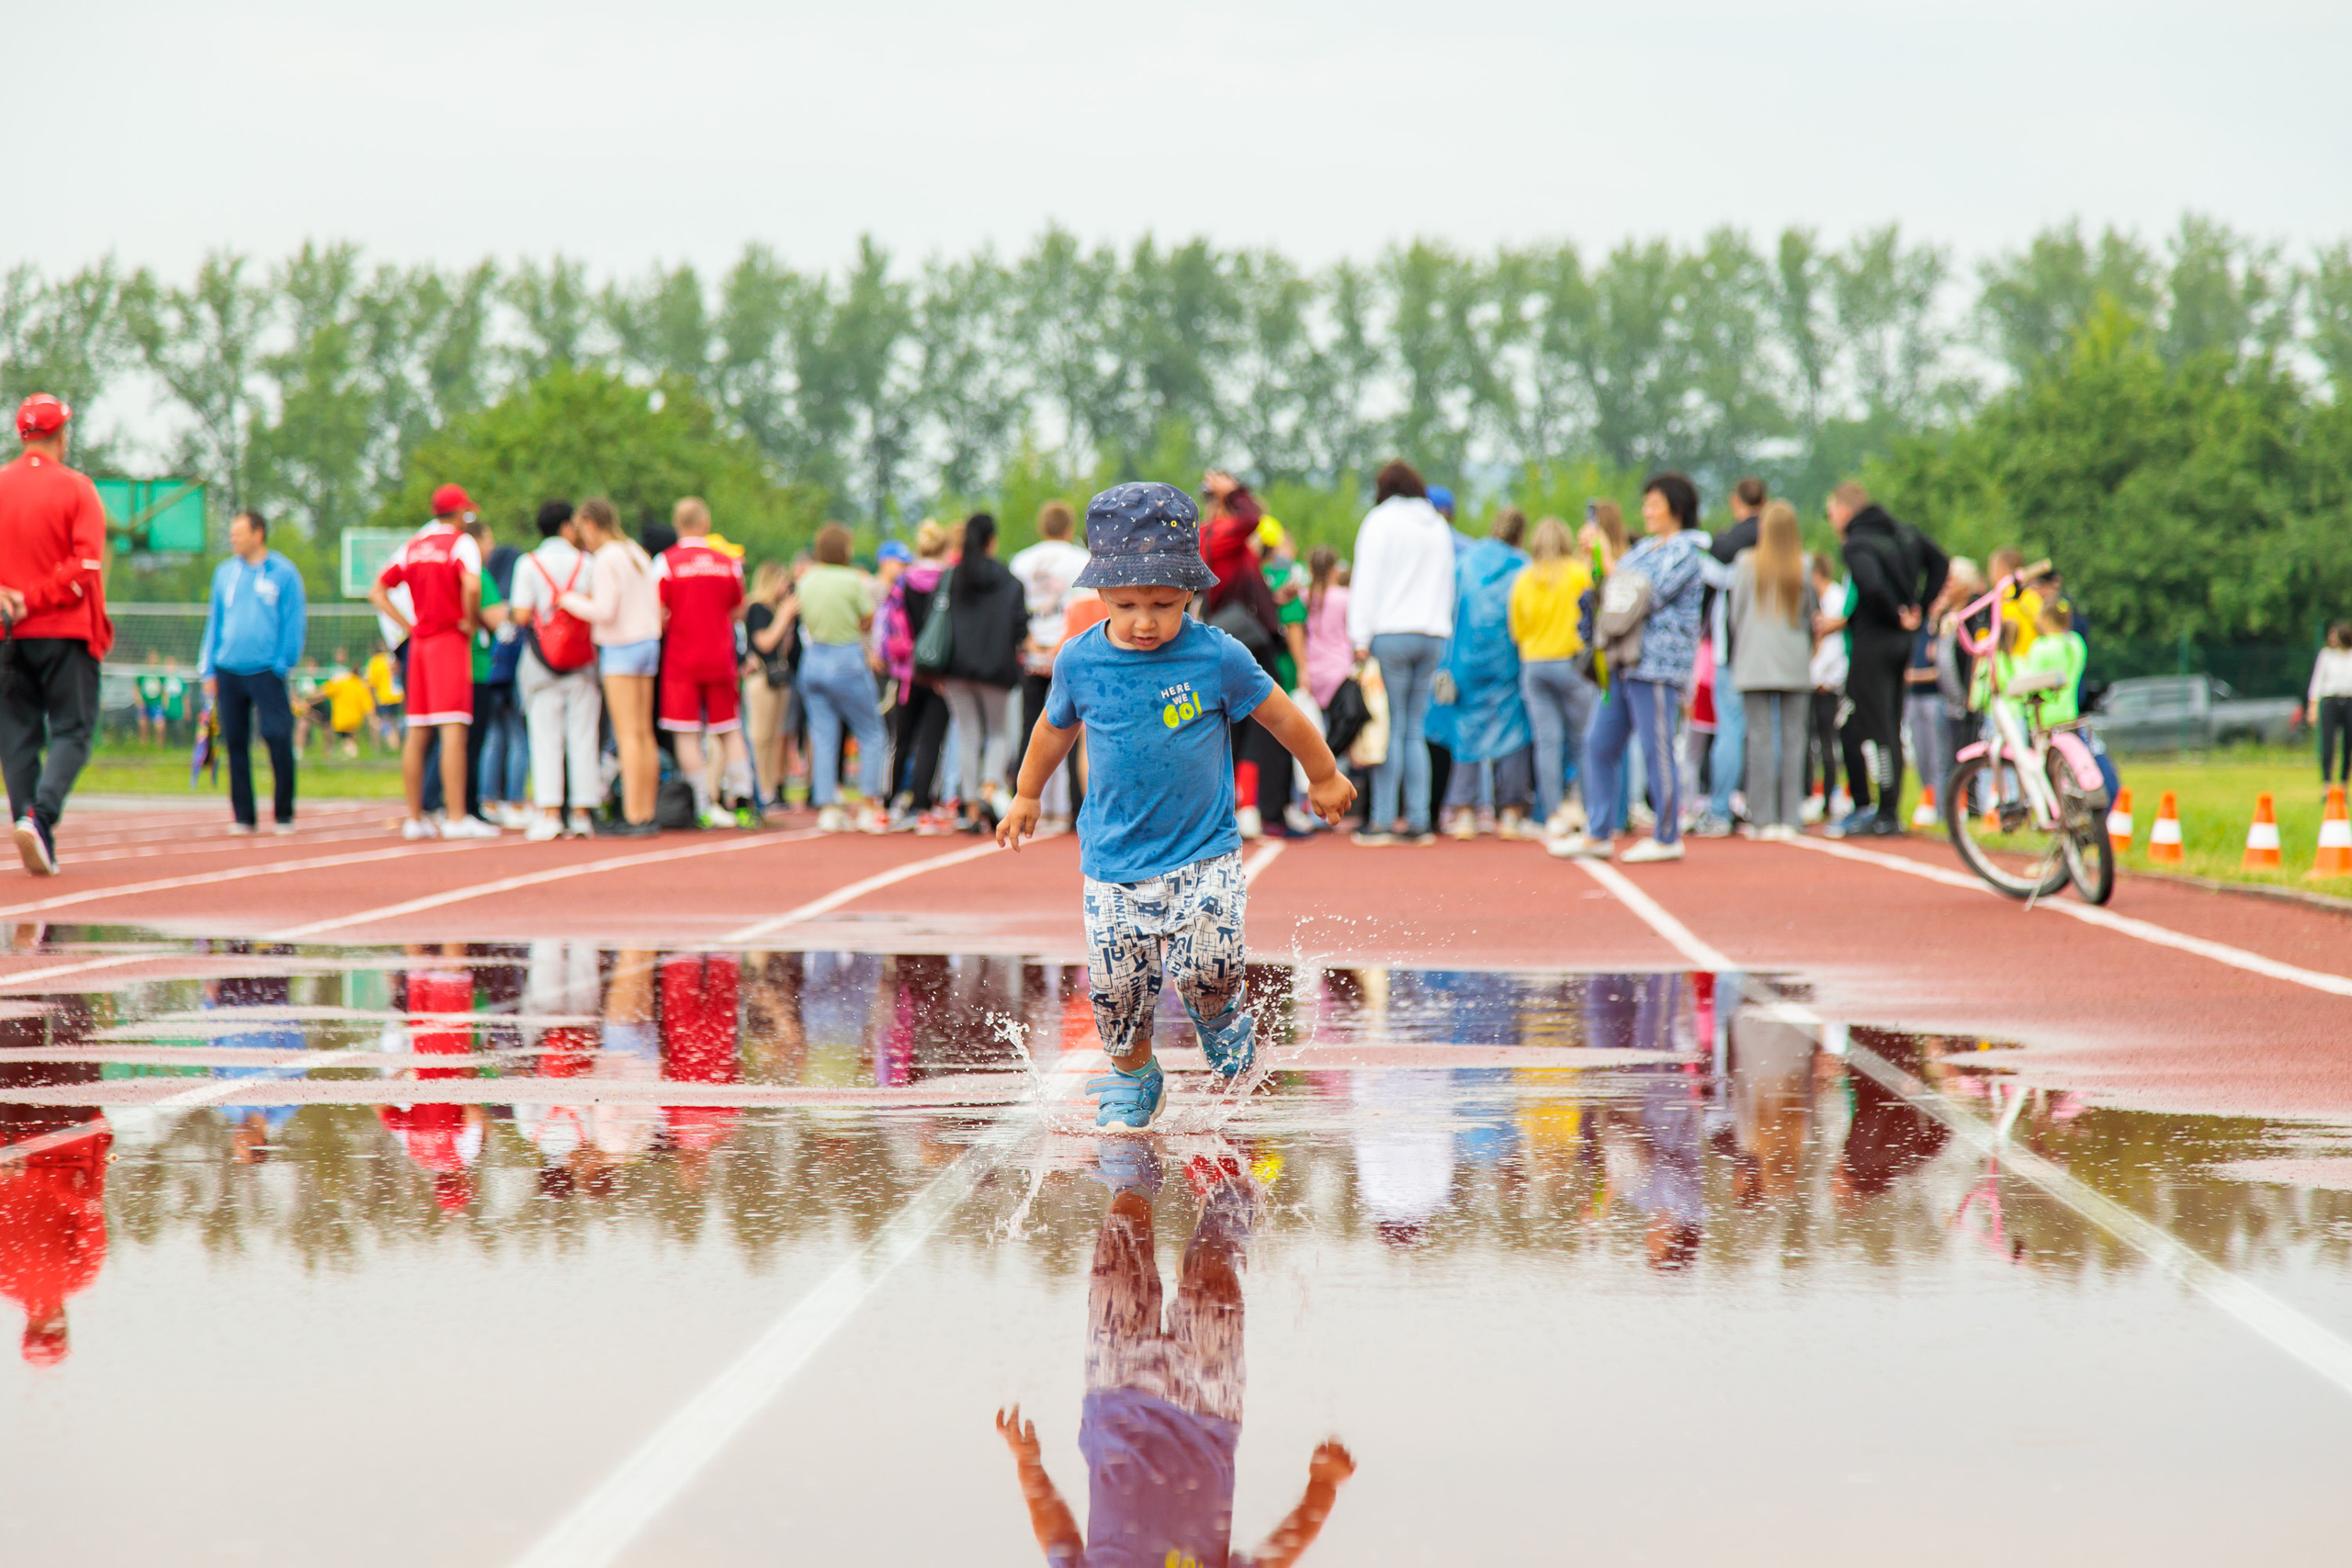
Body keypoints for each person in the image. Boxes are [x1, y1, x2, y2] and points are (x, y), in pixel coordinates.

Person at [997, 481, 1354, 1130]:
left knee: (1208, 967)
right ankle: (1136, 1077)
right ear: (1099, 593)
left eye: (1162, 604)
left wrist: (1323, 773)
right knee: (1116, 989)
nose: (1143, 620)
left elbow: (1279, 714)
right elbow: (1053, 729)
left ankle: (1220, 1019)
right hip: (1113, 861)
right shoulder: (1079, 659)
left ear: (1191, 591)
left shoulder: (1216, 655)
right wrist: (1026, 793)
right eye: (1126, 603)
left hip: (1204, 852)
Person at [994, 1151, 1353, 1567]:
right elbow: (1274, 1559)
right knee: (1214, 1282)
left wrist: (1028, 1465)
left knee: (1117, 1261)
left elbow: (1057, 1538)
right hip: (1208, 1407)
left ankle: (1133, 1176)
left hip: (1115, 1394)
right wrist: (1322, 1487)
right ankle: (1227, 1201)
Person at [1552, 471, 1708, 863]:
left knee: (1657, 749)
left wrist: (1610, 554)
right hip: (1623, 661)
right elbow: (1609, 585)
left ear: (1677, 507)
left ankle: (1667, 835)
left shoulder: (1687, 552)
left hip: (1656, 665)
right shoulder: (1646, 550)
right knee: (1597, 743)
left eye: (1654, 503)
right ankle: (1598, 831)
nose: (1647, 511)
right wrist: (1596, 557)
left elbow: (1644, 593)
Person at [0, 395, 109, 875]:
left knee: (17, 733)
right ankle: (39, 818)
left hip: (7, 634)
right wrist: (37, 597)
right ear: (62, 435)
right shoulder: (77, 488)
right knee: (73, 729)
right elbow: (86, 564)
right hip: (65, 629)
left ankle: (28, 820)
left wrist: (11, 597)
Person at [1819, 482, 1949, 837]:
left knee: (1864, 724)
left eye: (1831, 514)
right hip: (1902, 642)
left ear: (1845, 512)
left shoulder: (1857, 544)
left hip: (1873, 641)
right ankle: (1884, 809)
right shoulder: (1906, 534)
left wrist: (1895, 612)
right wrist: (1918, 607)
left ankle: (1879, 811)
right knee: (1889, 722)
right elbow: (1941, 563)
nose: (1831, 521)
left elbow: (1871, 585)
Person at [370, 485, 497, 840]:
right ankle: (456, 817)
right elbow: (471, 586)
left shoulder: (413, 545)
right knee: (453, 727)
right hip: (448, 642)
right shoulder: (461, 544)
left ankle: (415, 818)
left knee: (418, 730)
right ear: (459, 515)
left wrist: (407, 625)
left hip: (420, 643)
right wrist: (469, 621)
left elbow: (377, 590)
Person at [1345, 460, 1455, 845]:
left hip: (1390, 634)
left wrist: (1359, 638)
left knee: (1387, 729)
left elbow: (1366, 580)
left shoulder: (1380, 521)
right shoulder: (1438, 524)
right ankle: (1422, 820)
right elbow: (1447, 581)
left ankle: (1383, 820)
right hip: (1431, 634)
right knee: (1413, 731)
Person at [198, 509, 307, 835]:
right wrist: (208, 669)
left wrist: (283, 664)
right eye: (231, 533)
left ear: (258, 534)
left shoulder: (283, 573)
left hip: (267, 671)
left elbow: (294, 622)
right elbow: (214, 620)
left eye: (239, 533)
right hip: (228, 669)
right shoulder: (224, 573)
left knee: (277, 737)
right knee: (235, 742)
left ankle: (284, 813)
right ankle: (244, 816)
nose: (233, 539)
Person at [1431, 506, 1535, 838]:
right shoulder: (1523, 566)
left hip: (1466, 658)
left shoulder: (1466, 563)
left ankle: (1463, 811)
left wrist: (1446, 663)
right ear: (1521, 534)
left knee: (1466, 732)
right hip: (1508, 660)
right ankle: (1512, 813)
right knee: (1513, 732)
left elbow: (1451, 610)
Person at [1199, 472, 1294, 839]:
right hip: (1247, 641)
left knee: (1238, 727)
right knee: (1267, 723)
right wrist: (1235, 493)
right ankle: (1260, 808)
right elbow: (1253, 518)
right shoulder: (1218, 534)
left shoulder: (1218, 540)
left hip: (1237, 634)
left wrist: (1272, 599)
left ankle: (1246, 807)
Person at [561, 498, 662, 835]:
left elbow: (604, 610)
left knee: (627, 733)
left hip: (621, 645)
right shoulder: (635, 551)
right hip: (647, 641)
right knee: (644, 733)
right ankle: (646, 809)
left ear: (590, 524)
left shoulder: (606, 557)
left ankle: (633, 814)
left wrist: (569, 600)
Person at [656, 497, 756, 829]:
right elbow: (738, 609)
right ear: (705, 523)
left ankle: (700, 803)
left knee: (686, 732)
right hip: (719, 656)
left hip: (681, 658)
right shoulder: (727, 563)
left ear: (677, 523)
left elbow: (659, 613)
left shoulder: (667, 562)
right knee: (729, 727)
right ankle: (743, 800)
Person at [506, 499, 604, 840]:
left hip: (541, 661)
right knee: (583, 737)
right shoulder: (587, 562)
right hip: (582, 660)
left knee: (545, 738)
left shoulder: (528, 563)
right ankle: (581, 813)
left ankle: (550, 813)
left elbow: (520, 616)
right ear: (566, 527)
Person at [1726, 501, 1818, 839]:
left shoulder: (1745, 564)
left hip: (1754, 661)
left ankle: (1762, 818)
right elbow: (1809, 616)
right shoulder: (1804, 566)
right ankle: (1790, 817)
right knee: (1795, 741)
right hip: (1793, 661)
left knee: (1760, 741)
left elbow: (1735, 615)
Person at [796, 523, 890, 833]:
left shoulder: (806, 579)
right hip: (846, 657)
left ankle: (827, 808)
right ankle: (867, 805)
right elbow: (868, 616)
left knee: (823, 736)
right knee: (871, 732)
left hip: (813, 658)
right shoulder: (852, 580)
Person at [1511, 515, 1598, 841]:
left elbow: (1517, 629)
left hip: (1534, 664)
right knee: (1583, 741)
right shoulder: (1578, 574)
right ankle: (1591, 809)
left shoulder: (1524, 579)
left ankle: (1552, 814)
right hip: (1571, 663)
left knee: (1547, 743)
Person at [940, 513, 1026, 832]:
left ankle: (970, 807)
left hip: (956, 668)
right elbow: (1020, 626)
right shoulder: (1009, 580)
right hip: (996, 668)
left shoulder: (952, 577)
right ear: (993, 540)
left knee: (967, 733)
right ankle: (990, 788)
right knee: (999, 732)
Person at [1011, 500, 1091, 832]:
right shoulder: (1081, 559)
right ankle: (1072, 809)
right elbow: (1086, 609)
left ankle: (1025, 802)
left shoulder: (1020, 561)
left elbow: (1013, 610)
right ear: (1069, 528)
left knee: (1033, 731)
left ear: (1042, 527)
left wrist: (1030, 644)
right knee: (1073, 732)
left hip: (1032, 652)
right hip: (1068, 652)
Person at [1698, 477, 1768, 835]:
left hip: (1733, 647)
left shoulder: (1726, 545)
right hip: (1769, 649)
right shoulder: (1779, 539)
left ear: (1734, 501)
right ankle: (1765, 808)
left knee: (1731, 727)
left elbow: (1705, 593)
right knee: (1767, 730)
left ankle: (1721, 809)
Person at [882, 520, 954, 829]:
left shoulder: (902, 581)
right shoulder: (950, 581)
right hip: (939, 672)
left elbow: (889, 624)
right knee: (931, 740)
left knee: (903, 738)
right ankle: (922, 805)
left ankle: (894, 801)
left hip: (907, 671)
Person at [474, 522, 530, 828]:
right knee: (519, 739)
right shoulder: (513, 605)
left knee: (493, 739)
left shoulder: (487, 590)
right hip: (513, 678)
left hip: (489, 675)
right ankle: (515, 800)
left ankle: (488, 798)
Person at [741, 561, 797, 809]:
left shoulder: (777, 609)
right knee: (760, 736)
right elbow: (765, 642)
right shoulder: (757, 608)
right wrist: (784, 617)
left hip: (779, 678)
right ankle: (759, 788)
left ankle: (771, 788)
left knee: (775, 737)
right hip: (761, 678)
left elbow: (786, 648)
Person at [1805, 551, 1849, 822]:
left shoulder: (1836, 599)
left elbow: (1835, 645)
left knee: (1828, 742)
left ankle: (1830, 796)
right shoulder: (1817, 600)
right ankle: (1814, 793)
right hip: (1813, 681)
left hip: (1828, 683)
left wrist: (1821, 677)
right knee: (1811, 743)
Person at [2314, 622, 2352, 789]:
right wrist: (2312, 706)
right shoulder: (2327, 655)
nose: (2331, 639)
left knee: (2348, 745)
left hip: (2349, 701)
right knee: (2328, 743)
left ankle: (2343, 784)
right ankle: (2327, 784)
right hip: (2330, 701)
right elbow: (2317, 681)